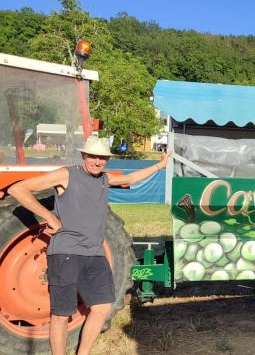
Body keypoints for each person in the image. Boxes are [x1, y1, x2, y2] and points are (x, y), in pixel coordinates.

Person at [7, 136, 170, 355]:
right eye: (92, 156)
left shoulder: (103, 179)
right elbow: (18, 190)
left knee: (102, 307)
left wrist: (160, 165)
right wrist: (50, 217)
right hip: (66, 253)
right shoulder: (66, 174)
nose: (97, 161)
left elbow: (131, 177)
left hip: (94, 253)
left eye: (102, 158)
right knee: (61, 314)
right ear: (84, 155)